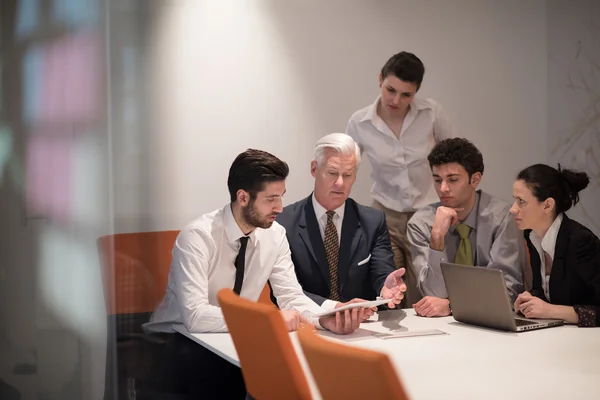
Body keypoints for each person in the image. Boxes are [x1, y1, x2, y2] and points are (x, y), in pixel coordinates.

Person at [144, 149, 366, 399]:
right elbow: (195, 316)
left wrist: (324, 317)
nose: (280, 208)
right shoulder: (197, 237)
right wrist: (267, 322)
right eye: (271, 199)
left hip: (233, 340)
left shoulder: (275, 234)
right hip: (175, 343)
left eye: (281, 197)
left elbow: (290, 297)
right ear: (243, 197)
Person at [345, 51, 453, 306]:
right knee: (389, 289)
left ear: (416, 92)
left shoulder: (432, 113)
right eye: (390, 90)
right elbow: (347, 167)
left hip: (426, 213)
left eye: (406, 94)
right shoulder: (360, 122)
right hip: (385, 214)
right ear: (380, 79)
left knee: (425, 289)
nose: (396, 99)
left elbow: (452, 159)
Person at [277, 133, 407, 315]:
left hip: (361, 325)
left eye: (348, 175)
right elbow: (284, 289)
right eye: (332, 173)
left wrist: (386, 286)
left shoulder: (372, 221)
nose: (340, 183)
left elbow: (381, 269)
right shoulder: (283, 222)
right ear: (314, 169)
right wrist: (334, 308)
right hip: (308, 321)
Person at [407, 138, 525, 317]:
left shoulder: (502, 217)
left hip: (492, 322)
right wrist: (437, 237)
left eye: (453, 180)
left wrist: (451, 306)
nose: (443, 188)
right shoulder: (421, 223)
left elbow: (507, 292)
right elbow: (432, 294)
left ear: (475, 179)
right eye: (437, 180)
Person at [511, 164, 600, 327]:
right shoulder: (531, 235)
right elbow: (555, 294)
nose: (512, 209)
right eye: (514, 200)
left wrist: (549, 310)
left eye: (521, 201)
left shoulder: (581, 241)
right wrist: (530, 299)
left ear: (547, 205)